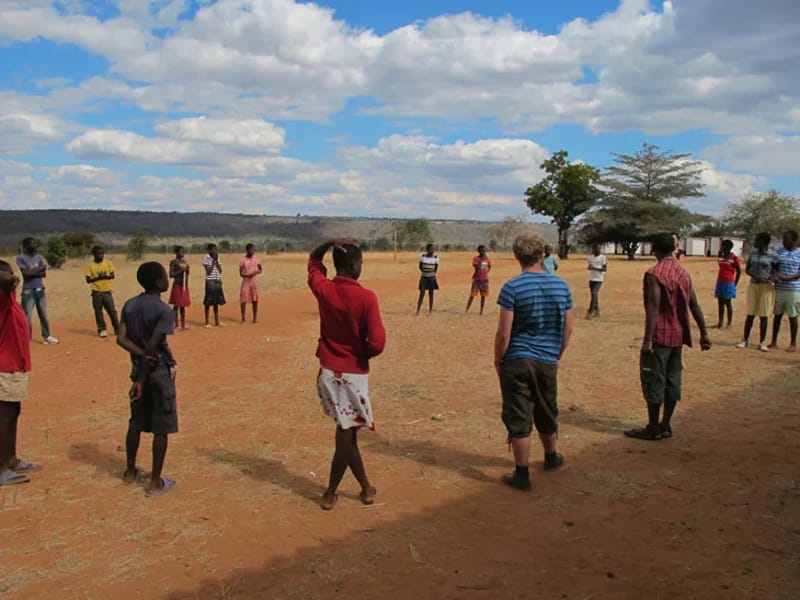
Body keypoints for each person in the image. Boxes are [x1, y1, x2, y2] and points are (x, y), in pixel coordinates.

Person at [308, 238, 386, 510]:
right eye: (360, 263)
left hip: (328, 372)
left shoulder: (324, 289)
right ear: (354, 265)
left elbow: (313, 263)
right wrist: (361, 352)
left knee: (347, 431)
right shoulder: (367, 297)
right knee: (345, 433)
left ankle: (366, 487)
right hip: (353, 374)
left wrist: (327, 243)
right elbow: (377, 343)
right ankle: (330, 492)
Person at [494, 232, 574, 491]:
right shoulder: (562, 286)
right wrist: (556, 354)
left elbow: (504, 332)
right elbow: (569, 328)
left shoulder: (512, 287)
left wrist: (499, 359)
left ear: (518, 256)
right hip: (547, 359)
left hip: (517, 359)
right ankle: (551, 457)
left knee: (519, 414)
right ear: (543, 254)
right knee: (546, 407)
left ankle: (522, 473)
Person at [625, 232, 711, 441]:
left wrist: (647, 340)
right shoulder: (683, 273)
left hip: (661, 336)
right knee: (673, 380)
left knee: (655, 379)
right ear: (673, 248)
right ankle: (666, 424)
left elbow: (653, 308)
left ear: (654, 249)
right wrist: (704, 332)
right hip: (678, 336)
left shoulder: (654, 274)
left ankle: (653, 427)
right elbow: (694, 304)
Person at [116, 262, 178, 497]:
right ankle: (155, 482)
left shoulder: (130, 305)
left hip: (136, 370)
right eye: (164, 277)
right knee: (162, 425)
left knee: (136, 421)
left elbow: (121, 339)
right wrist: (144, 374)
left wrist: (139, 362)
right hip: (157, 373)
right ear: (157, 283)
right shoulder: (163, 311)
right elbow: (153, 348)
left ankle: (130, 471)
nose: (167, 279)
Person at [0, 260, 41, 486]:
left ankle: (11, 459)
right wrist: (10, 277)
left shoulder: (9, 299)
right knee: (4, 415)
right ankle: (2, 468)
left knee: (13, 412)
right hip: (5, 366)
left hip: (16, 366)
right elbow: (6, 280)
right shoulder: (2, 298)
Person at [736, 233, 779, 352]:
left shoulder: (773, 255)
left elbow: (776, 271)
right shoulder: (753, 255)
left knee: (764, 315)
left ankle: (762, 342)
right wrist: (757, 276)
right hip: (754, 285)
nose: (755, 242)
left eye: (757, 240)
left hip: (766, 287)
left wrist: (773, 278)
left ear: (763, 242)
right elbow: (748, 269)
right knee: (750, 314)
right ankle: (744, 340)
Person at [16, 237, 58, 344]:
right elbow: (26, 274)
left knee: (43, 314)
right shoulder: (21, 258)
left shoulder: (39, 257)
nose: (34, 246)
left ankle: (47, 336)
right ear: (25, 246)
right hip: (28, 290)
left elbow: (43, 273)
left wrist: (33, 271)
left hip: (40, 289)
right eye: (31, 244)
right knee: (27, 316)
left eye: (35, 244)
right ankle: (26, 338)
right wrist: (39, 270)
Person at [769, 230, 800, 352]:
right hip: (780, 289)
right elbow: (774, 267)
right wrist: (775, 275)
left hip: (793, 289)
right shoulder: (779, 252)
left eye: (786, 239)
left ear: (794, 240)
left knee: (793, 316)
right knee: (777, 316)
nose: (783, 241)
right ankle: (773, 341)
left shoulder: (799, 253)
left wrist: (786, 277)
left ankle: (792, 343)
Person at [85, 245, 119, 338]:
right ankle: (102, 329)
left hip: (107, 291)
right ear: (94, 254)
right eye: (99, 254)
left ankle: (117, 329)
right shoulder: (90, 266)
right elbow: (88, 280)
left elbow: (112, 276)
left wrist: (104, 276)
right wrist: (97, 277)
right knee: (98, 312)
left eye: (102, 253)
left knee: (112, 311)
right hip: (96, 292)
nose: (101, 256)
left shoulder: (108, 263)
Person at [714, 239, 741, 329]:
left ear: (728, 247)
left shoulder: (734, 258)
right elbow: (720, 265)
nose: (721, 247)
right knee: (720, 303)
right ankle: (720, 322)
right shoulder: (721, 257)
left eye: (723, 246)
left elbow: (739, 271)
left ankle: (729, 323)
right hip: (720, 282)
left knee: (728, 303)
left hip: (729, 282)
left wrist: (735, 283)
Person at [202, 243, 225, 328]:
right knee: (208, 302)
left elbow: (220, 270)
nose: (215, 251)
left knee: (216, 302)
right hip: (210, 281)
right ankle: (207, 322)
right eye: (213, 249)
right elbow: (208, 272)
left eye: (216, 249)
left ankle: (217, 321)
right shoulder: (206, 258)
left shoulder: (217, 258)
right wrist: (213, 261)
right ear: (209, 251)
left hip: (217, 281)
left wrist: (217, 262)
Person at [168, 246, 191, 331]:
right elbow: (171, 275)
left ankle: (183, 324)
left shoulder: (183, 262)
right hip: (177, 284)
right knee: (176, 305)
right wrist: (181, 270)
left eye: (183, 252)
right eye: (181, 252)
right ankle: (176, 324)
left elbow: (186, 274)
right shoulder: (173, 262)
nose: (183, 254)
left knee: (183, 305)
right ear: (176, 253)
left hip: (184, 285)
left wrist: (187, 270)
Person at [239, 243, 263, 324]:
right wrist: (248, 275)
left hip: (254, 281)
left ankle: (255, 318)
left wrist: (256, 272)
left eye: (253, 250)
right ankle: (243, 318)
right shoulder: (242, 260)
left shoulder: (257, 259)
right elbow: (241, 273)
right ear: (247, 250)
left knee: (255, 299)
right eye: (251, 250)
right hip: (246, 281)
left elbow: (260, 270)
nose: (252, 251)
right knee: (243, 299)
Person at [465, 245, 491, 315]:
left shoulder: (487, 259)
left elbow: (489, 266)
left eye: (484, 250)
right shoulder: (476, 259)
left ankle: (481, 311)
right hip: (477, 279)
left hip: (484, 279)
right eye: (482, 250)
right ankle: (467, 310)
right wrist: (482, 259)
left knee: (483, 296)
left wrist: (487, 271)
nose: (484, 252)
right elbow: (477, 268)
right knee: (472, 295)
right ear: (479, 251)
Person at [416, 243, 439, 316]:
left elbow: (435, 269)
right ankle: (418, 310)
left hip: (431, 278)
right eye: (431, 249)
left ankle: (430, 311)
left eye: (433, 249)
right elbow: (420, 267)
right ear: (427, 250)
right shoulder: (422, 257)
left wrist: (430, 273)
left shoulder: (436, 258)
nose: (432, 251)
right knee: (422, 294)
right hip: (424, 277)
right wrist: (425, 272)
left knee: (431, 294)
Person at [586, 245, 608, 319]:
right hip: (591, 279)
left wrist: (594, 268)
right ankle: (597, 311)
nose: (598, 250)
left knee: (594, 293)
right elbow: (589, 267)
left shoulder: (603, 257)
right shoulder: (590, 258)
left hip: (599, 279)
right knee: (593, 296)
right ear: (593, 249)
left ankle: (591, 310)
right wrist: (590, 268)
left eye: (599, 249)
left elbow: (604, 269)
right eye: (596, 249)